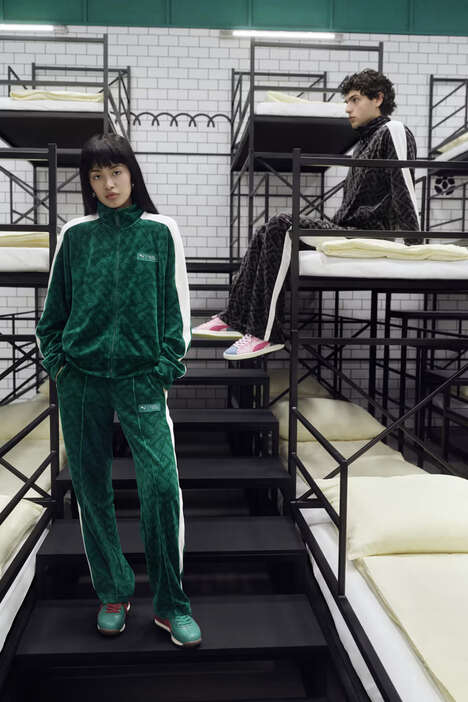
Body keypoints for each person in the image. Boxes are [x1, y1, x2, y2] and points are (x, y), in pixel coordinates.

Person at [36, 133, 201, 648]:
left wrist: (165, 367)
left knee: (161, 487)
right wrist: (59, 365)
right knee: (91, 488)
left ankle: (171, 604)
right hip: (81, 380)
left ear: (132, 173)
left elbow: (177, 310)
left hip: (140, 379)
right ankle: (113, 592)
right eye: (97, 176)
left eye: (116, 172)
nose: (108, 184)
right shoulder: (75, 235)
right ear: (88, 182)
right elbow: (53, 312)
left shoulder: (160, 231)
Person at [193, 69, 421, 360]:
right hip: (347, 228)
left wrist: (414, 245)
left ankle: (266, 334)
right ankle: (234, 316)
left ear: (378, 99)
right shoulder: (364, 142)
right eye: (347, 102)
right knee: (267, 230)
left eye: (354, 100)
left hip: (369, 233)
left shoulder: (393, 130)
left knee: (282, 224)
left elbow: (404, 185)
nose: (347, 108)